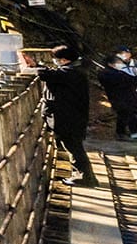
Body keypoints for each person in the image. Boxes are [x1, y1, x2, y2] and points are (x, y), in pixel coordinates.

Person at [40, 44, 97, 187]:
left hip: (69, 118)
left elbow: (47, 75)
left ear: (64, 60)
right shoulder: (75, 70)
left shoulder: (72, 72)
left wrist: (35, 67)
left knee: (74, 147)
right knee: (74, 147)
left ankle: (84, 177)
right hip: (72, 116)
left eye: (56, 59)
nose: (55, 61)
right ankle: (85, 176)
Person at [100, 47, 137, 141]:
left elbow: (132, 81)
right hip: (120, 98)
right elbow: (128, 81)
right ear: (111, 64)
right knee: (128, 116)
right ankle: (132, 134)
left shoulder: (119, 72)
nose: (120, 64)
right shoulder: (107, 74)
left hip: (132, 97)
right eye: (118, 63)